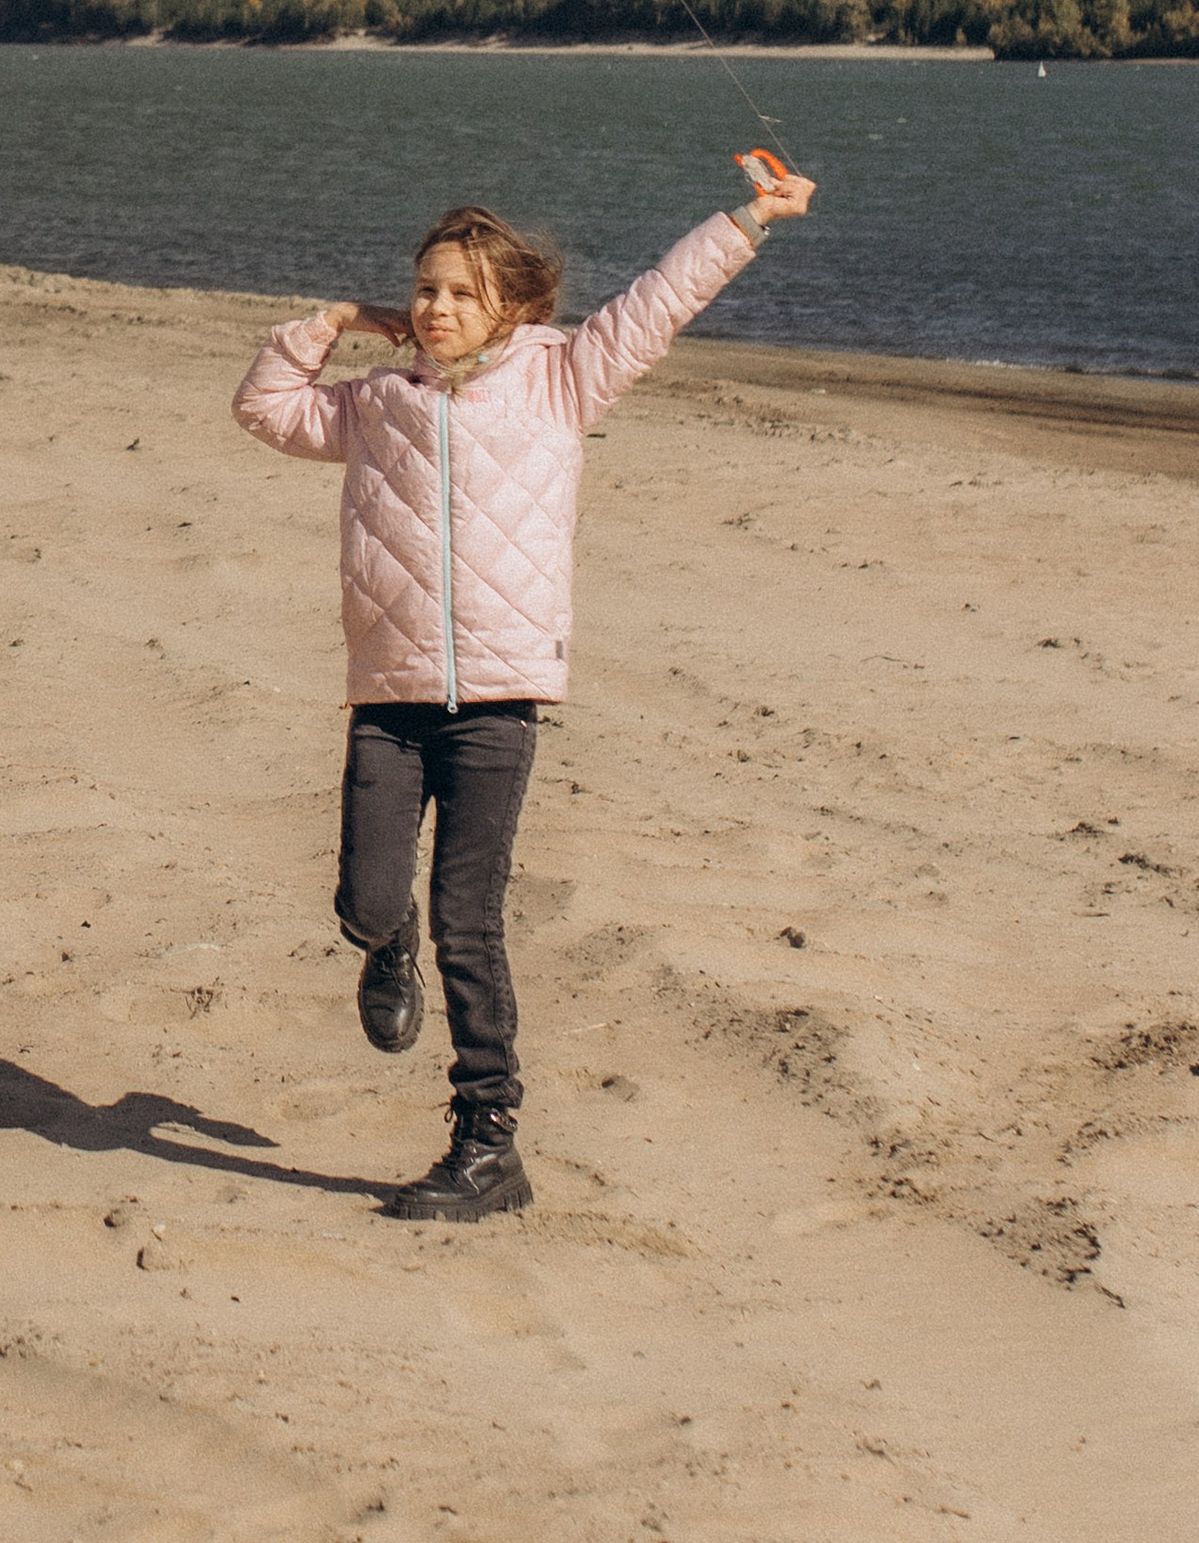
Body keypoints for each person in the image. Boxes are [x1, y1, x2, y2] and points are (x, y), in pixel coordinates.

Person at [231, 163, 815, 1220]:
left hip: (499, 699)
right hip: (390, 693)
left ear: (515, 304)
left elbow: (658, 299)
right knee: (368, 901)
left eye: (459, 291)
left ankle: (487, 1143)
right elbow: (265, 409)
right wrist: (326, 321)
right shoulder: (374, 403)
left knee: (469, 915)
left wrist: (746, 220)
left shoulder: (563, 378)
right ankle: (384, 947)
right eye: (422, 289)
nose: (434, 307)